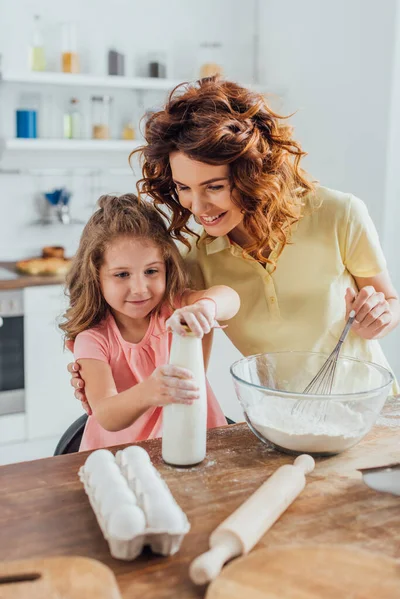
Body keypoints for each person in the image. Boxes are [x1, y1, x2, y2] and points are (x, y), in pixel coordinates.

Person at [69, 76, 399, 405]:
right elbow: (173, 353)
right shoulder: (197, 258)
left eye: (214, 187)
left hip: (371, 407)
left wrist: (380, 317)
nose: (198, 208)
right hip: (279, 418)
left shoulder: (339, 214)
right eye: (184, 188)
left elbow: (390, 303)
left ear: (252, 173)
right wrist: (98, 377)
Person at [61, 193, 240, 451]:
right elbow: (107, 415)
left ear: (167, 267)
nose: (140, 288)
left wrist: (205, 307)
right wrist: (151, 391)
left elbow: (230, 299)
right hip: (125, 456)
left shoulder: (176, 309)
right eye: (122, 274)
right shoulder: (94, 339)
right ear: (95, 277)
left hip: (195, 446)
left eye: (151, 271)